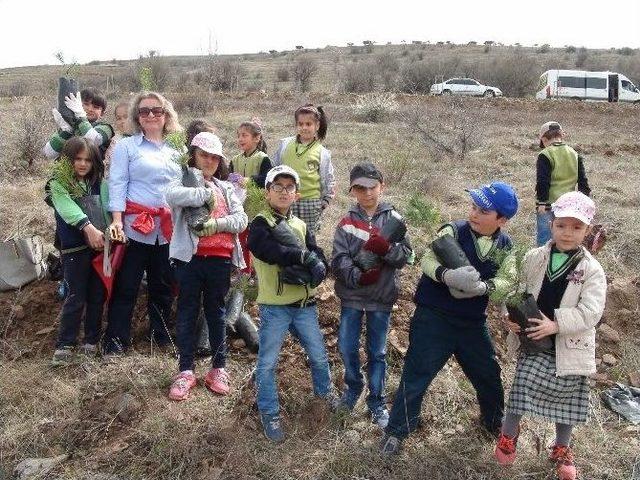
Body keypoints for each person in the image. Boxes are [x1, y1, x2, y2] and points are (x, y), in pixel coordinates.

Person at [380, 181, 520, 454]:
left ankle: (493, 423)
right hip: (434, 318)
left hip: (471, 323)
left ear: (502, 219)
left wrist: (484, 288)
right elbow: (427, 261)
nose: (474, 214)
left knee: (488, 373)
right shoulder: (452, 230)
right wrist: (446, 275)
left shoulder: (506, 246)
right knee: (417, 372)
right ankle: (397, 430)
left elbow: (508, 278)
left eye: (484, 211)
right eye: (473, 206)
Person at [494, 191, 606, 480]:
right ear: (551, 224)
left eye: (577, 227)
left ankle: (561, 448)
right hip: (533, 339)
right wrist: (508, 316)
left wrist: (556, 324)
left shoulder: (591, 270)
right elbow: (513, 290)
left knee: (568, 400)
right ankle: (508, 435)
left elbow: (591, 312)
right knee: (522, 387)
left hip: (570, 344)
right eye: (561, 225)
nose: (568, 233)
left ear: (588, 230)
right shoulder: (533, 258)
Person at [247, 165, 337, 443]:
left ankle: (325, 395)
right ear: (268, 192)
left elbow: (315, 250)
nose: (284, 192)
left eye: (289, 188)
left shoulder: (299, 224)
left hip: (304, 305)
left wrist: (320, 264)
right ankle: (269, 412)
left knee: (319, 355)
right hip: (275, 307)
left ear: (296, 195)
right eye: (278, 187)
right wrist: (300, 258)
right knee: (267, 363)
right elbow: (266, 249)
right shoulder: (261, 223)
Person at [165, 132, 247, 400]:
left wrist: (218, 224)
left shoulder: (226, 188)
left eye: (214, 157)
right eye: (204, 155)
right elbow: (171, 195)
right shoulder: (184, 182)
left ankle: (218, 367)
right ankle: (185, 370)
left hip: (219, 260)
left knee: (217, 312)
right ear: (194, 156)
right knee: (187, 310)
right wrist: (202, 191)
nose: (209, 161)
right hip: (190, 259)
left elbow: (241, 219)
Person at [332, 162, 413, 428]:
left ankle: (376, 401)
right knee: (346, 346)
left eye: (372, 187)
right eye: (360, 188)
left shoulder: (394, 220)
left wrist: (387, 248)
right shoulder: (346, 223)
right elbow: (339, 259)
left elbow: (406, 256)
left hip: (381, 296)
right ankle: (353, 387)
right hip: (352, 296)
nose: (367, 194)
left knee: (377, 351)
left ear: (382, 186)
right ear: (352, 190)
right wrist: (357, 276)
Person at [103, 91, 183, 354]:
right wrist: (116, 220)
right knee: (127, 284)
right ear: (137, 116)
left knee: (161, 285)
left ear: (166, 115)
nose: (150, 115)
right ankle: (116, 341)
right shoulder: (127, 147)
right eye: (144, 110)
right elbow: (117, 183)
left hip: (168, 229)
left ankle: (159, 337)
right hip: (134, 228)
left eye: (156, 110)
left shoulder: (177, 150)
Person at [49, 137, 109, 365]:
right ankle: (65, 344)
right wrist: (88, 227)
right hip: (75, 247)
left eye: (88, 160)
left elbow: (107, 205)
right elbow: (67, 208)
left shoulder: (99, 182)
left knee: (96, 294)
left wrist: (110, 227)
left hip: (100, 247)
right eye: (77, 159)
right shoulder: (58, 182)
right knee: (75, 295)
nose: (83, 164)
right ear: (68, 160)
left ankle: (91, 341)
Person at [272, 104, 335, 233]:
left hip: (310, 203)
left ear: (317, 126)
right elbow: (274, 169)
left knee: (307, 238)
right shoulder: (285, 145)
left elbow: (328, 178)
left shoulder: (322, 152)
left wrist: (326, 200)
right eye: (300, 124)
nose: (304, 127)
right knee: (285, 235)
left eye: (308, 124)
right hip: (285, 198)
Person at [536, 121, 591, 246]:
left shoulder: (545, 154)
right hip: (568, 206)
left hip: (549, 204)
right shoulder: (574, 154)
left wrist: (542, 202)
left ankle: (544, 262)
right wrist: (584, 202)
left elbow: (543, 181)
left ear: (544, 139)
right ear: (562, 135)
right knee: (565, 238)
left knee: (545, 239)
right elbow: (583, 181)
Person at [230, 118, 272, 274]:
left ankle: (261, 273)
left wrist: (250, 180)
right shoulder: (235, 160)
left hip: (258, 207)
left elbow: (267, 179)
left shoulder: (263, 158)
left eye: (245, 135)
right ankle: (244, 273)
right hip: (239, 207)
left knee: (258, 240)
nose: (240, 139)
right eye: (239, 135)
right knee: (241, 241)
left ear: (257, 138)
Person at [43, 88, 114, 161]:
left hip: (91, 171)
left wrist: (81, 116)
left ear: (102, 113)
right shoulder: (68, 127)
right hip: (66, 171)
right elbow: (48, 153)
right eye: (86, 104)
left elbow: (94, 140)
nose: (90, 109)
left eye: (96, 107)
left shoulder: (106, 127)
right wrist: (66, 131)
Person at [104, 100, 130, 167]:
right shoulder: (115, 139)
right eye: (119, 118)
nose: (122, 121)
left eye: (126, 117)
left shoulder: (143, 139)